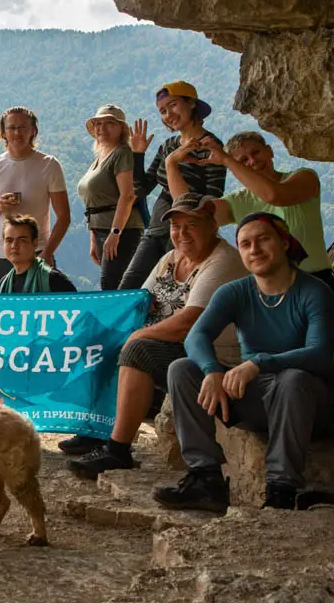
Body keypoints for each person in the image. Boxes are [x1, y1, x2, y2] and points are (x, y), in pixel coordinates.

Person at [153, 213, 334, 513]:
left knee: (292, 379)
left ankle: (282, 489)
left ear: (285, 242)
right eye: (246, 244)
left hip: (302, 402)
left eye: (264, 239)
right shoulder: (235, 292)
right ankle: (205, 478)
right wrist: (212, 370)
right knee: (182, 369)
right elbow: (195, 336)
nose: (255, 250)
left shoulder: (314, 292)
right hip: (252, 397)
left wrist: (258, 364)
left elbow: (319, 354)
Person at [63, 192, 247, 467]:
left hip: (210, 357)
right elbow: (140, 301)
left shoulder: (222, 262)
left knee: (137, 349)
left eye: (191, 225)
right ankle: (96, 429)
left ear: (212, 226)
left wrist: (134, 335)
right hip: (172, 345)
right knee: (102, 338)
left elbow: (189, 322)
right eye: (176, 227)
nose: (182, 233)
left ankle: (118, 450)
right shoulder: (172, 258)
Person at [163, 130, 334, 297]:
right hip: (269, 289)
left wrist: (227, 160)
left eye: (256, 153)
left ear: (269, 151)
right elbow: (191, 213)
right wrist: (171, 164)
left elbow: (274, 195)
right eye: (243, 160)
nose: (252, 161)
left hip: (314, 281)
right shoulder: (240, 201)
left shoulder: (304, 177)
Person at [119, 82, 226, 290]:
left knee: (173, 293)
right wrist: (138, 154)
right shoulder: (168, 146)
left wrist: (174, 163)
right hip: (157, 228)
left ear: (191, 103)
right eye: (163, 111)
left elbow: (213, 197)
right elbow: (142, 189)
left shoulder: (211, 147)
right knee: (129, 287)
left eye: (173, 105)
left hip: (188, 233)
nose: (168, 114)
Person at [0, 106, 71, 291]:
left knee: (43, 313)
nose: (17, 132)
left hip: (38, 253)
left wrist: (47, 252)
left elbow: (64, 217)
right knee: (4, 314)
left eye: (23, 127)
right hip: (0, 255)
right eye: (12, 127)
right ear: (3, 133)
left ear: (33, 131)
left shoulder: (49, 165)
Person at [76, 104, 144, 290]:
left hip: (121, 231)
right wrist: (93, 236)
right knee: (112, 286)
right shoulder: (100, 156)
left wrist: (115, 233)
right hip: (101, 230)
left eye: (109, 123)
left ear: (121, 129)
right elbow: (95, 201)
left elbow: (127, 195)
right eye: (98, 124)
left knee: (112, 287)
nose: (102, 128)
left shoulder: (122, 153)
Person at [0, 213, 78, 294]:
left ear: (35, 243)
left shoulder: (53, 280)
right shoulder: (3, 285)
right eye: (9, 240)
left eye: (22, 240)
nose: (14, 246)